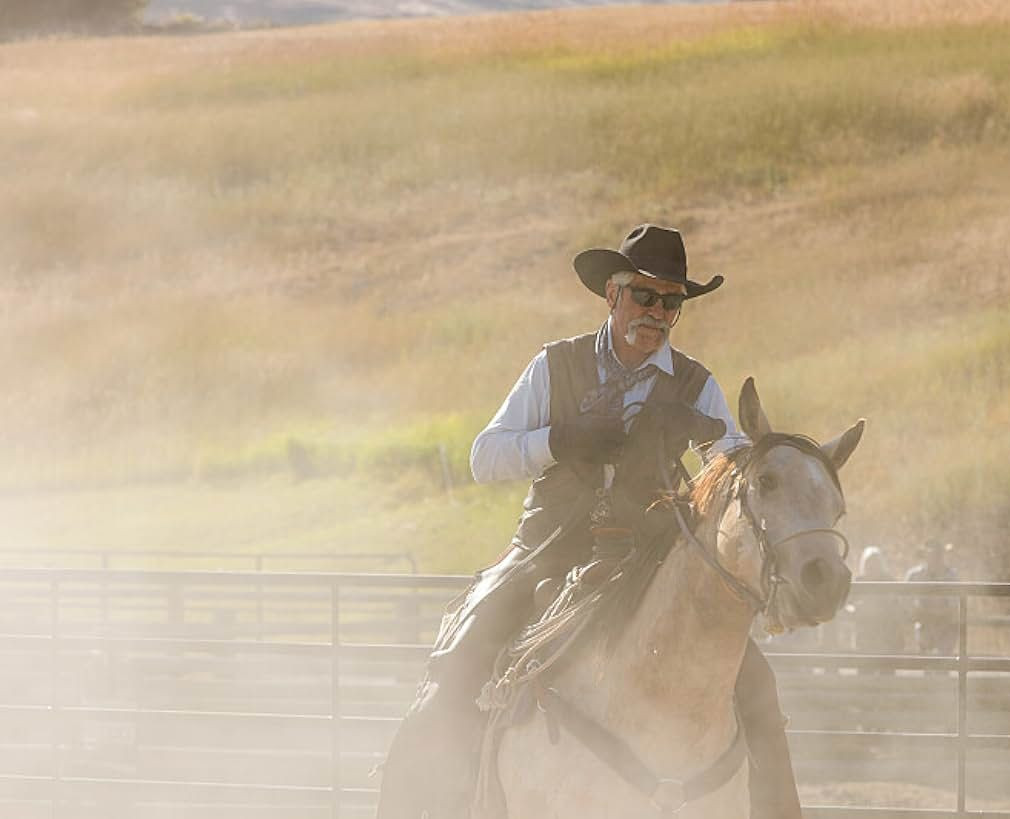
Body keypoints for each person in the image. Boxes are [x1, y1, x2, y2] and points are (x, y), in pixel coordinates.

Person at [376, 224, 805, 819]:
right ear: (612, 294)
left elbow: (729, 472)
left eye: (671, 302)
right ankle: (414, 798)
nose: (656, 312)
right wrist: (558, 439)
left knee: (754, 684)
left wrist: (724, 454)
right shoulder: (554, 366)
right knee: (465, 653)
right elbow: (485, 456)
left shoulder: (698, 384)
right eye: (644, 296)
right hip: (547, 547)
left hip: (651, 557)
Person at [852, 546, 905, 670]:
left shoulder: (889, 581)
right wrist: (859, 608)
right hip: (865, 631)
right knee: (865, 667)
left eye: (875, 562)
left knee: (887, 667)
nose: (872, 566)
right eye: (869, 563)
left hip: (887, 632)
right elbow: (850, 603)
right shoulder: (859, 581)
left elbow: (898, 604)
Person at [904, 539, 959, 656]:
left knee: (944, 662)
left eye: (938, 554)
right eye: (932, 554)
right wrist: (915, 612)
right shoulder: (915, 575)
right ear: (925, 556)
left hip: (946, 625)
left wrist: (944, 613)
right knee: (927, 662)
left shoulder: (951, 575)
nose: (935, 558)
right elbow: (905, 598)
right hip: (924, 624)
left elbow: (955, 603)